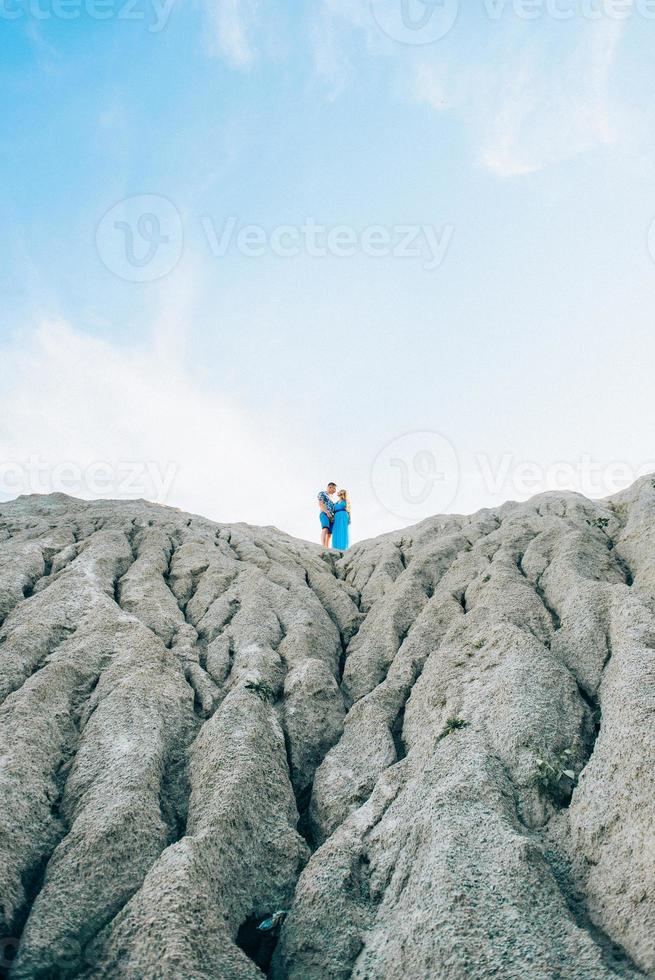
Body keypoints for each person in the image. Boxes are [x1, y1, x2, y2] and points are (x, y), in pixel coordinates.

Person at [318, 482, 337, 548]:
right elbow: (320, 504)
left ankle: (326, 547)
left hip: (331, 517)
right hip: (324, 513)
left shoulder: (330, 499)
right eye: (334, 489)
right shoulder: (322, 493)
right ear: (330, 487)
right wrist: (327, 512)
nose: (335, 491)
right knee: (325, 528)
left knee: (329, 534)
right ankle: (323, 545)